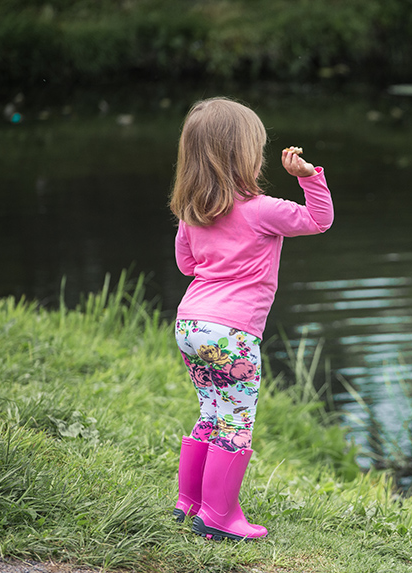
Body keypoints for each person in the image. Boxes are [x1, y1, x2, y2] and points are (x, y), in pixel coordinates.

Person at [168, 97, 334, 540]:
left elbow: (188, 266)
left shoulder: (191, 212)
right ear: (244, 155)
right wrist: (310, 178)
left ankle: (191, 503)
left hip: (190, 326)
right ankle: (220, 516)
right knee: (235, 422)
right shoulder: (261, 209)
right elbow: (319, 220)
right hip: (232, 333)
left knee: (210, 411)